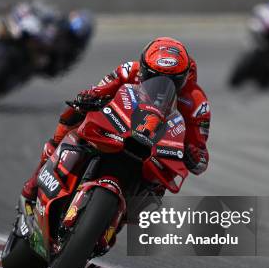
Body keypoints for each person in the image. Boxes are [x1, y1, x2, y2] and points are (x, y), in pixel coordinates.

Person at [21, 36, 211, 202]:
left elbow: (201, 158)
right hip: (119, 128)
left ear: (185, 78)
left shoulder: (196, 102)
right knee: (74, 112)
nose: (161, 86)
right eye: (154, 77)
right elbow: (98, 91)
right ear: (143, 68)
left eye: (173, 81)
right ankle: (39, 173)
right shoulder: (130, 70)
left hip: (156, 150)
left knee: (157, 189)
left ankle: (111, 226)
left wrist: (193, 155)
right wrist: (88, 98)